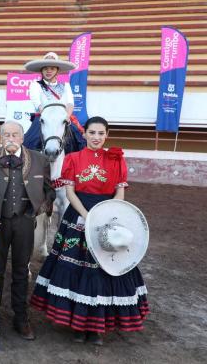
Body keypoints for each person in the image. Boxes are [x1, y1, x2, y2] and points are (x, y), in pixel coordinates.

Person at [31, 116, 149, 346]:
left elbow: (119, 193)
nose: (96, 137)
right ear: (83, 134)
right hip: (79, 215)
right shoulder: (73, 159)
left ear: (107, 135)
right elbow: (70, 193)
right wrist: (88, 216)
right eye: (92, 132)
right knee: (77, 267)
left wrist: (108, 216)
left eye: (101, 133)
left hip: (109, 215)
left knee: (104, 267)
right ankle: (78, 325)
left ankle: (95, 327)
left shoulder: (116, 159)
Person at [0, 120, 54, 340]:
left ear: (22, 138)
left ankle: (20, 318)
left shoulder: (40, 159)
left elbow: (49, 191)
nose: (10, 138)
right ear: (0, 137)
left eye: (15, 134)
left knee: (21, 270)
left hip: (24, 221)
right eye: (6, 135)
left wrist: (37, 208)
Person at [23, 52, 85, 152]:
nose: (49, 71)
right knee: (29, 142)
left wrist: (67, 117)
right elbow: (37, 103)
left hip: (62, 118)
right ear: (41, 71)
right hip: (43, 118)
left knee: (79, 140)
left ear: (57, 71)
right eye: (45, 68)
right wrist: (47, 117)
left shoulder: (66, 85)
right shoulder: (35, 85)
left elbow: (70, 103)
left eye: (52, 68)